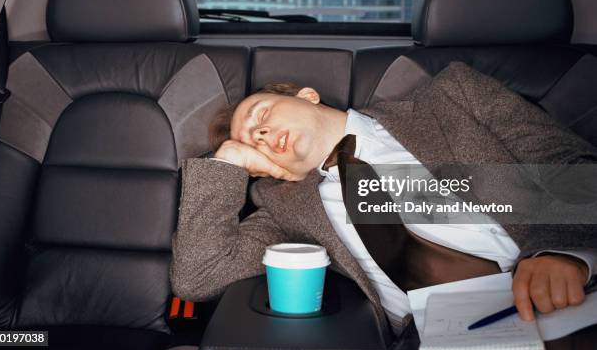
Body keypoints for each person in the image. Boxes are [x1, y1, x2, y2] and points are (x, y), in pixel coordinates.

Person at [171, 62, 597, 334]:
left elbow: (572, 167)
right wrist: (226, 162)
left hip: (569, 295)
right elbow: (198, 278)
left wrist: (564, 253)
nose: (259, 134)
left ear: (305, 95)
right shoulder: (283, 209)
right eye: (253, 145)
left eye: (260, 115)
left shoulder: (453, 96)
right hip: (442, 335)